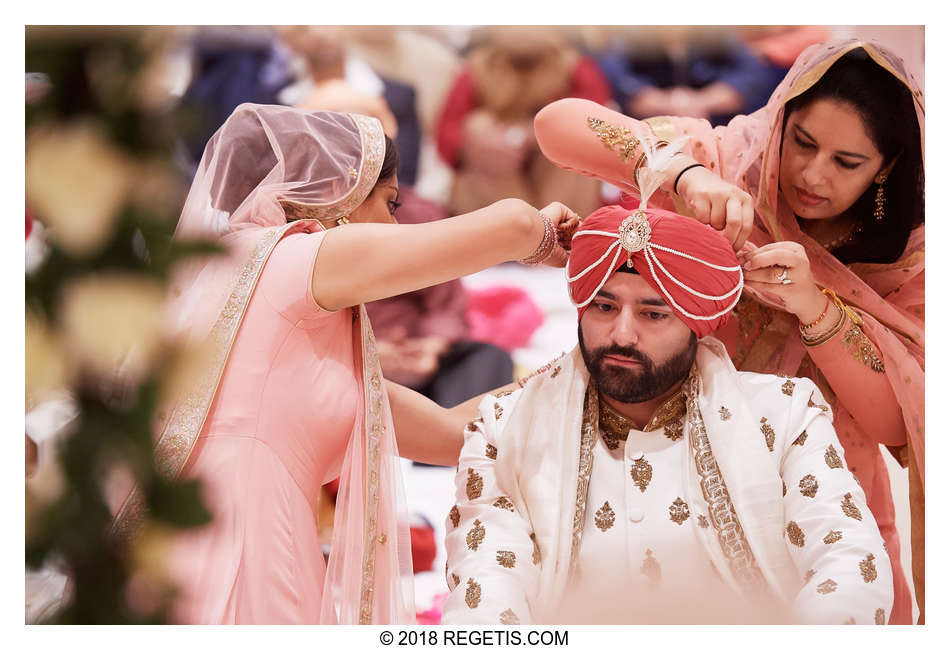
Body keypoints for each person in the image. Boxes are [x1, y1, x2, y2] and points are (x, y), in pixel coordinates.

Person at [109, 103, 579, 624]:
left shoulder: (272, 300)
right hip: (242, 548)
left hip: (231, 544)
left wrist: (582, 370)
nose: (393, 224)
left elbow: (453, 433)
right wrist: (546, 234)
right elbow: (511, 225)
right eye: (391, 203)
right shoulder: (289, 256)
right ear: (339, 193)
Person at [533, 39, 923, 623]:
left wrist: (815, 307)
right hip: (667, 479)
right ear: (780, 121)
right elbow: (556, 125)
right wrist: (684, 175)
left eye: (847, 163)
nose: (812, 174)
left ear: (887, 166)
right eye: (803, 143)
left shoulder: (910, 257)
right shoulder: (723, 162)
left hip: (820, 495)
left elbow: (899, 420)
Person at [442, 204, 892, 624]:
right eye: (603, 306)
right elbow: (486, 591)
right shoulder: (505, 428)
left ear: (698, 323)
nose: (621, 334)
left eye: (653, 314)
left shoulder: (784, 414)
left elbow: (849, 566)